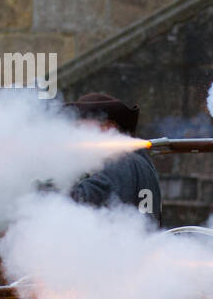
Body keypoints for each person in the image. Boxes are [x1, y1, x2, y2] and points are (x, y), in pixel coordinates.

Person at [65, 92, 163, 224]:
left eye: (80, 126)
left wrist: (46, 193)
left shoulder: (119, 161)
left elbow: (80, 201)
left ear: (108, 128)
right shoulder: (139, 160)